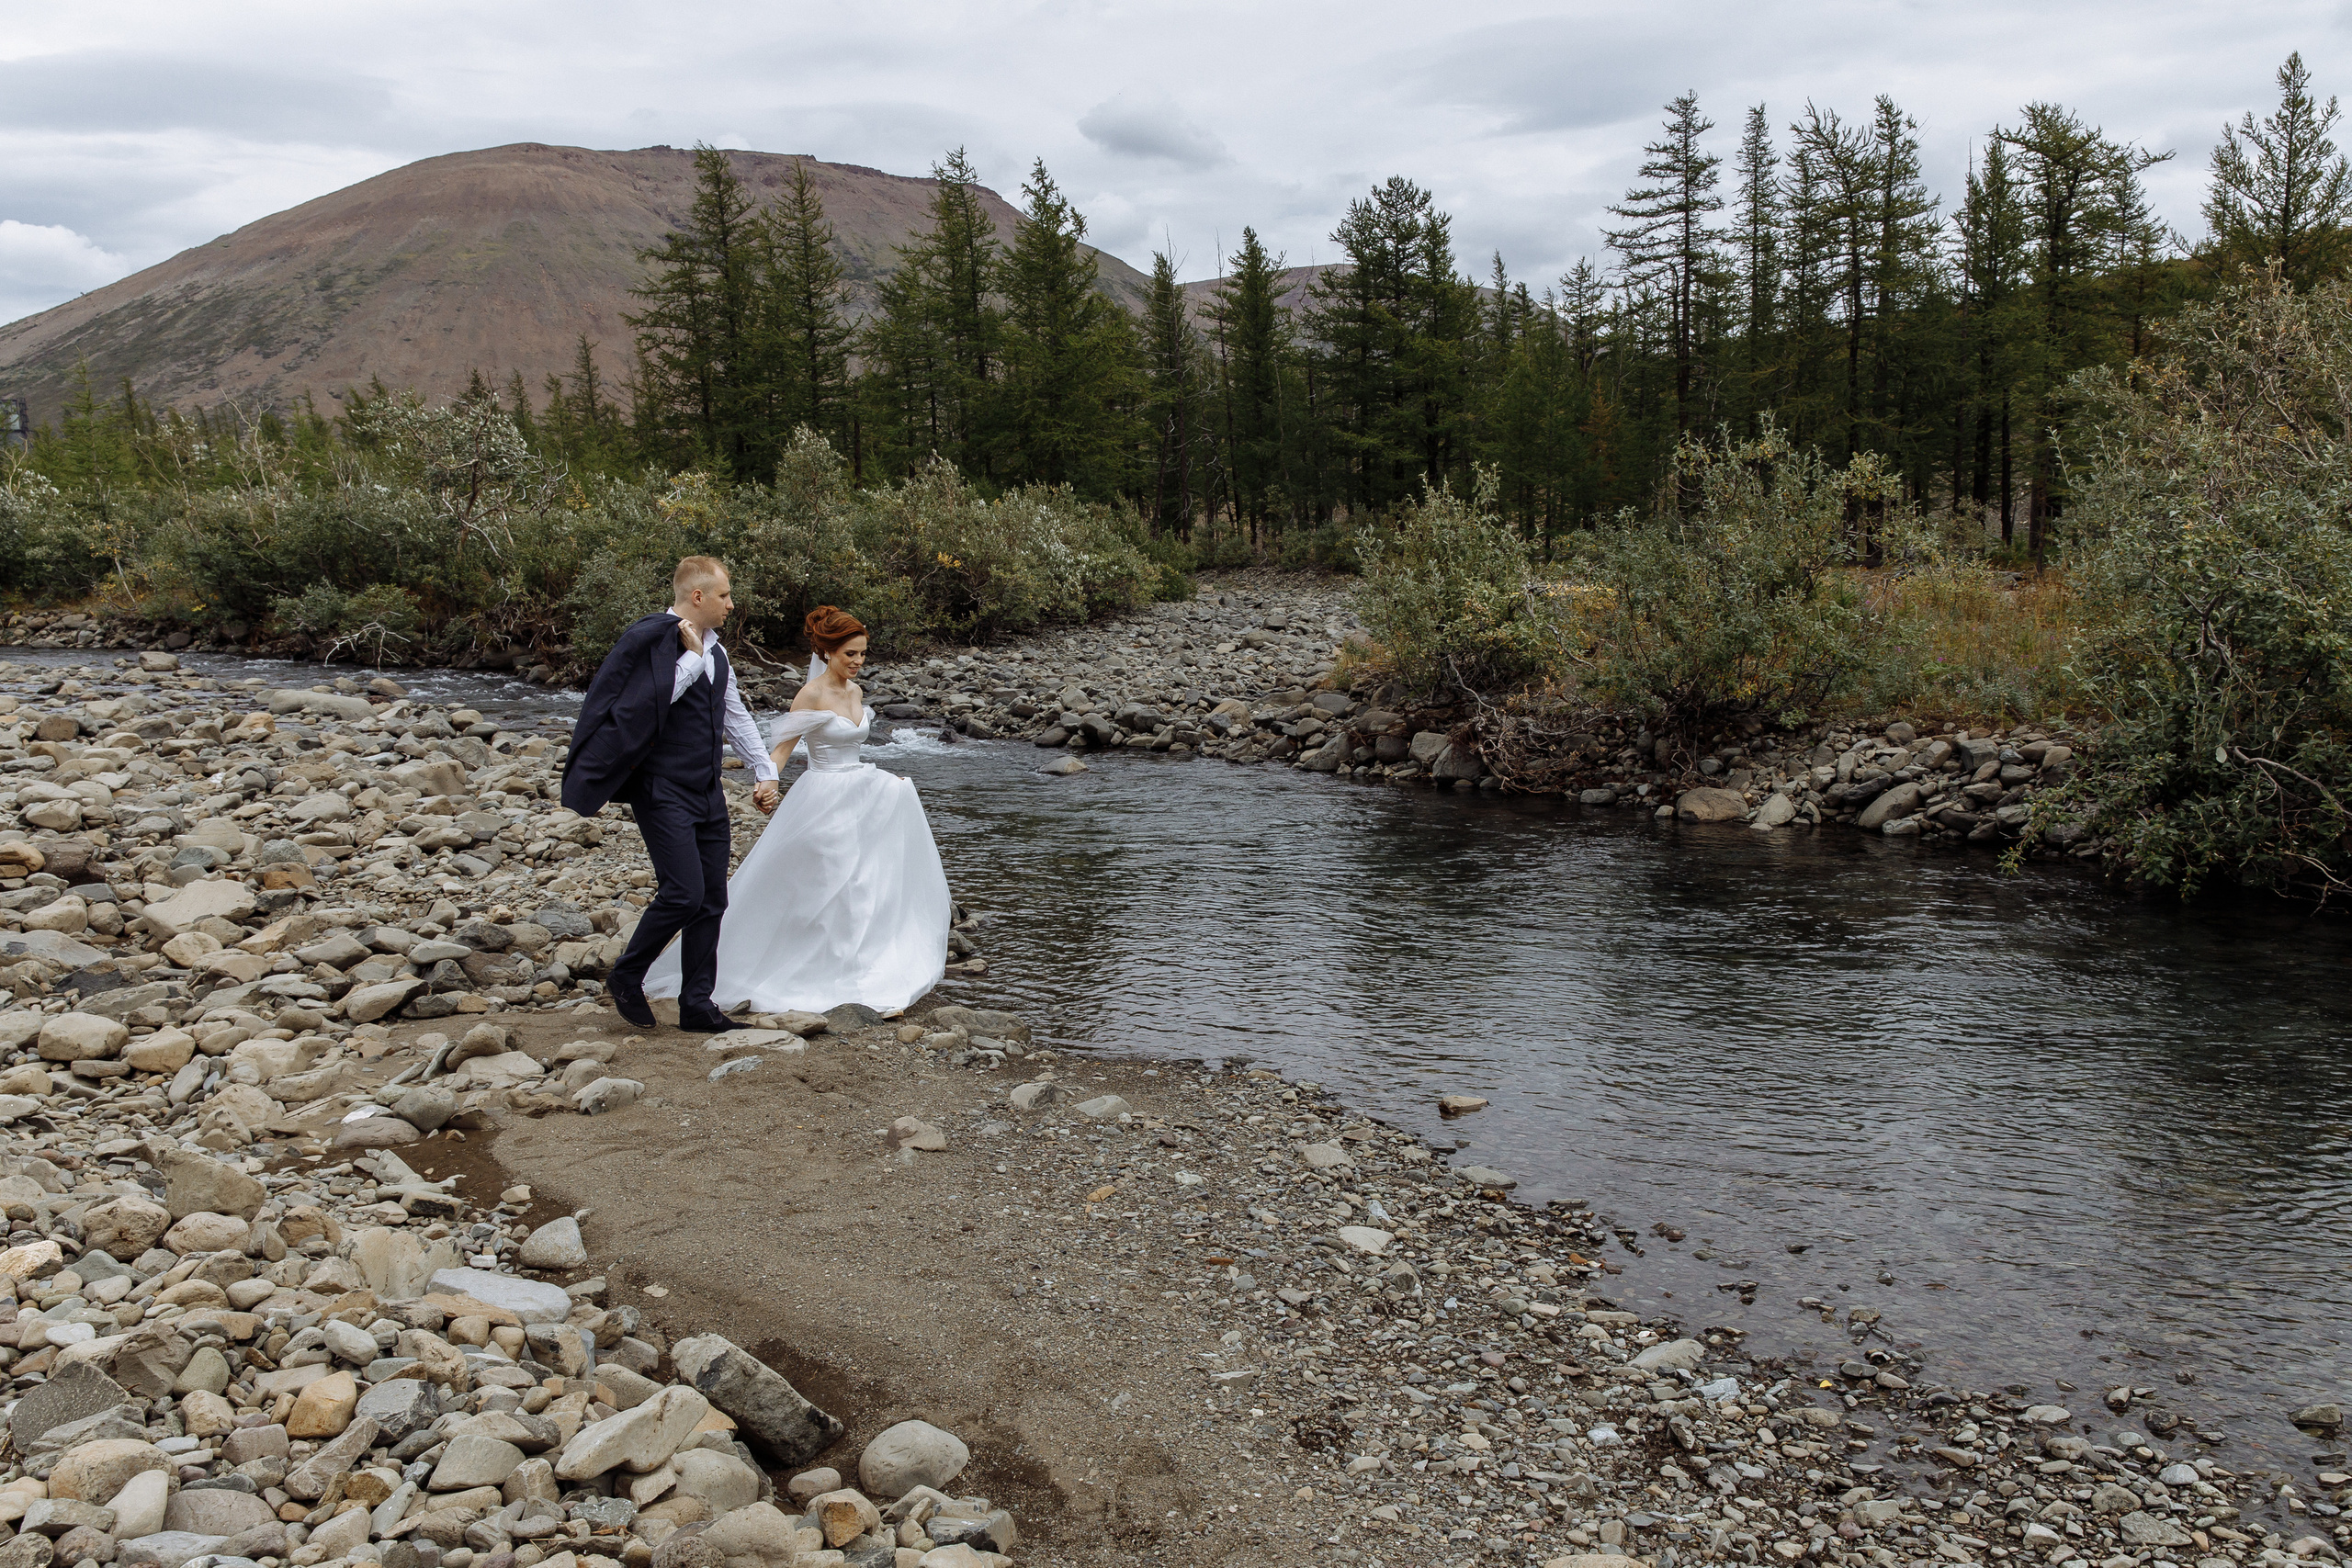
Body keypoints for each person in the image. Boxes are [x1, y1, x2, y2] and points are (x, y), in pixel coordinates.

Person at [644, 605, 950, 1015]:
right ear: (827, 653)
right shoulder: (811, 693)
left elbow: (854, 744)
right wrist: (767, 780)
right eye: (850, 655)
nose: (858, 662)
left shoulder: (856, 692)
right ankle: (812, 967)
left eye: (862, 654)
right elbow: (785, 747)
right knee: (830, 878)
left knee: (865, 881)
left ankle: (859, 965)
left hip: (864, 792)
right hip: (825, 796)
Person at [560, 557, 779, 1032]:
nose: (731, 604)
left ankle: (697, 1005)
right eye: (724, 595)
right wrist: (692, 658)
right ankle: (627, 974)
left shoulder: (719, 652)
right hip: (661, 789)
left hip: (707, 789)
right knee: (682, 893)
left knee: (712, 899)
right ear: (697, 596)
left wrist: (765, 771)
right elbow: (641, 708)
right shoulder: (652, 639)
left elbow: (734, 713)